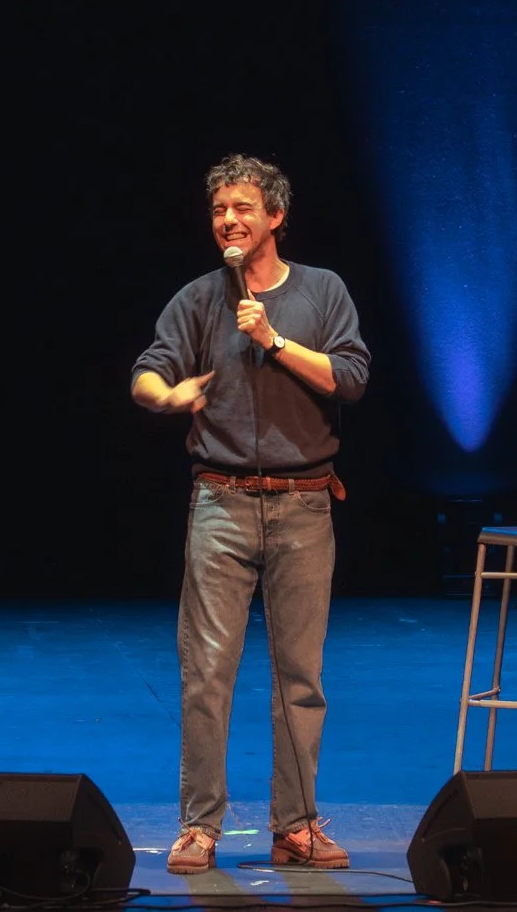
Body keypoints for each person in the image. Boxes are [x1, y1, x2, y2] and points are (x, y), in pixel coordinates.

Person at [131, 154, 371, 875]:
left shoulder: (322, 290)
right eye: (218, 210)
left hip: (304, 504)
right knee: (206, 671)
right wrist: (166, 396)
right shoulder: (198, 298)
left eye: (242, 207)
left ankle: (295, 825)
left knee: (300, 676)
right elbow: (147, 371)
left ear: (275, 216)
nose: (228, 220)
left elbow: (351, 377)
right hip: (221, 503)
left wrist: (273, 340)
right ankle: (199, 826)